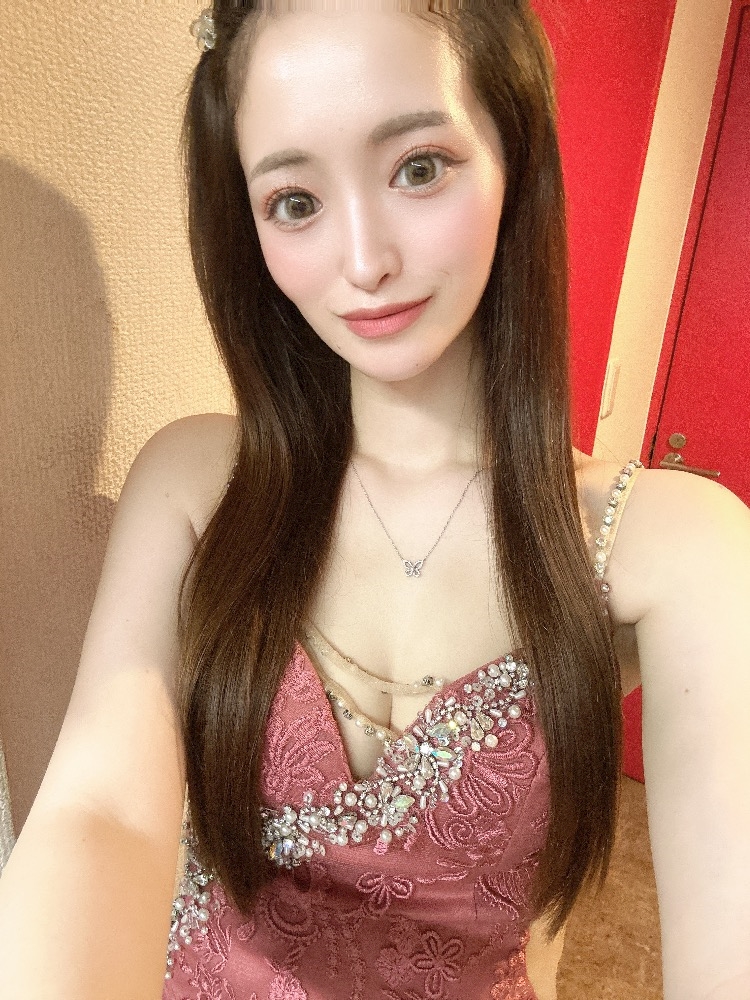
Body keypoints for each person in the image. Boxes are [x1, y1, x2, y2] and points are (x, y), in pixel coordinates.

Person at [0, 1, 748, 998]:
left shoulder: (676, 546)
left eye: (419, 167)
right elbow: (102, 813)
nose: (364, 262)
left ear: (514, 150)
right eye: (294, 201)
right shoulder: (196, 483)